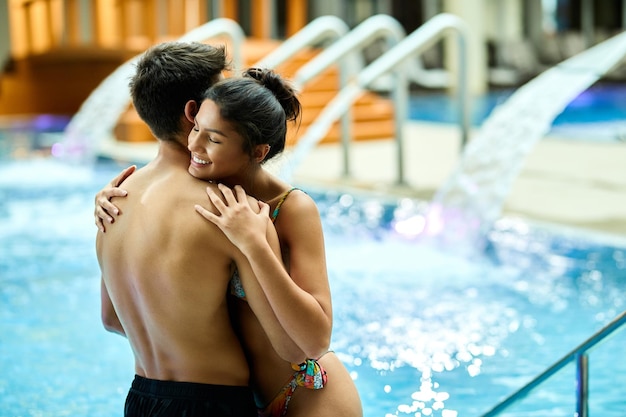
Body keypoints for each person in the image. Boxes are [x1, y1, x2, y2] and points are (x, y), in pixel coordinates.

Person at [95, 68, 363, 416]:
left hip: (305, 395)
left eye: (215, 139)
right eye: (195, 130)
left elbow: (314, 341)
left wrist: (254, 244)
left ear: (257, 151)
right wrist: (113, 209)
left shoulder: (290, 208)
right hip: (238, 400)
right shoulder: (204, 203)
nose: (194, 145)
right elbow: (117, 317)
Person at [96, 41, 292, 417]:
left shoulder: (113, 200)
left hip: (141, 398)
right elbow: (289, 344)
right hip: (212, 402)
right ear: (194, 113)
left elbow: (111, 319)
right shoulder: (230, 211)